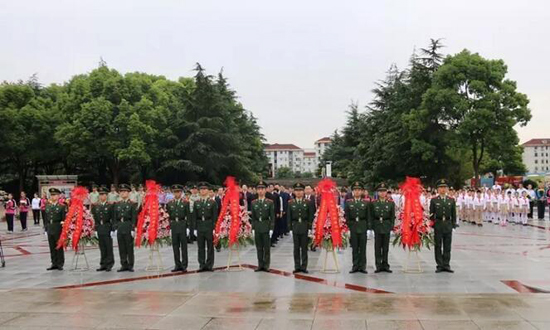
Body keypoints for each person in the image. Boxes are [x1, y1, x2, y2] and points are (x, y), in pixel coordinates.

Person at [430, 179, 456, 273]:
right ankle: (439, 265)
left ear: (447, 189)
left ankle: (446, 264)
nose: (443, 189)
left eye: (444, 187)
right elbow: (431, 215)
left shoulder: (451, 200)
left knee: (447, 246)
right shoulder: (434, 200)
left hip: (448, 224)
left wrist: (453, 225)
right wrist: (432, 225)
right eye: (441, 187)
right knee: (438, 245)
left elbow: (454, 214)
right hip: (438, 224)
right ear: (437, 189)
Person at [288, 182, 314, 274]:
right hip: (295, 227)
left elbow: (311, 215)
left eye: (300, 190)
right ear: (294, 192)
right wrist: (290, 229)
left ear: (303, 192)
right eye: (297, 190)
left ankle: (304, 266)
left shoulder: (308, 202)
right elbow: (289, 217)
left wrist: (310, 228)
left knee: (304, 248)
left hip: (304, 226)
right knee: (296, 248)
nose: (298, 192)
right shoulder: (291, 203)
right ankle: (297, 266)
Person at [344, 182, 369, 274]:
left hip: (362, 226)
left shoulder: (366, 203)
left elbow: (368, 216)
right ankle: (355, 266)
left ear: (362, 191)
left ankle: (362, 266)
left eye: (359, 190)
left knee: (362, 248)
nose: (357, 192)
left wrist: (368, 227)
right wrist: (349, 226)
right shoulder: (349, 203)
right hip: (353, 226)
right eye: (355, 190)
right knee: (354, 247)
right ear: (353, 192)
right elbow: (346, 215)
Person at [193, 182, 218, 272]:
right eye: (201, 189)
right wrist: (195, 228)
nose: (203, 191)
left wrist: (214, 228)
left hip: (209, 225)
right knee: (201, 247)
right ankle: (202, 264)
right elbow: (194, 216)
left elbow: (215, 216)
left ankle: (209, 265)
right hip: (200, 225)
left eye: (205, 189)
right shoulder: (197, 203)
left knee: (210, 247)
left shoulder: (212, 202)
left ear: (208, 191)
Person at [250, 181, 275, 272]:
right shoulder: (254, 203)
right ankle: (260, 265)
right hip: (257, 226)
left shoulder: (270, 202)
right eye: (259, 189)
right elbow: (253, 217)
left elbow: (272, 217)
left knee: (266, 248)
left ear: (265, 190)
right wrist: (252, 228)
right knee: (259, 247)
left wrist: (271, 229)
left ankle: (266, 265)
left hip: (266, 226)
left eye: (262, 189)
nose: (260, 191)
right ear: (256, 191)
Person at [371, 183, 395, 273]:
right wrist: (372, 226)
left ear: (386, 192)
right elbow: (372, 216)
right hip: (377, 225)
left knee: (385, 247)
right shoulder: (373, 203)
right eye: (380, 191)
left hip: (386, 225)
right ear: (377, 192)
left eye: (384, 191)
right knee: (377, 247)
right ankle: (378, 265)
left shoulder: (391, 204)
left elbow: (392, 216)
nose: (382, 193)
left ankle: (385, 265)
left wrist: (391, 226)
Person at [166, 184, 191, 272]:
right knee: (175, 246)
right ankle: (177, 264)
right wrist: (169, 228)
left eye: (178, 192)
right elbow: (168, 216)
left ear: (181, 192)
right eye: (175, 192)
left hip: (182, 224)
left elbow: (188, 215)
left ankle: (184, 265)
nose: (177, 194)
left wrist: (188, 227)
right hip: (174, 225)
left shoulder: (185, 203)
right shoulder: (170, 203)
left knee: (183, 246)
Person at [113, 184, 137, 272]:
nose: (123, 193)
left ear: (128, 193)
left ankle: (130, 265)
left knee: (129, 247)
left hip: (128, 225)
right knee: (121, 247)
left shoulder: (132, 204)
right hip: (120, 226)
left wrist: (133, 229)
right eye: (121, 192)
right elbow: (115, 217)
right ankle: (123, 264)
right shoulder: (117, 204)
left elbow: (134, 217)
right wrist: (115, 228)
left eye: (125, 191)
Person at [91, 187, 115, 272]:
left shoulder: (110, 205)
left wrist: (113, 229)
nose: (102, 196)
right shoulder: (96, 206)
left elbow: (113, 218)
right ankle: (103, 263)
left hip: (107, 226)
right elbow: (95, 218)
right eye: (100, 194)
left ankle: (109, 263)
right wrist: (96, 229)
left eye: (103, 194)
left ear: (107, 195)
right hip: (100, 227)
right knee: (102, 247)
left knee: (108, 246)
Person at [44, 188, 66, 270]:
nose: (53, 197)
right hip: (50, 226)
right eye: (52, 195)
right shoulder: (48, 206)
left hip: (58, 227)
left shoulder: (61, 206)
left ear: (58, 196)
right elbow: (45, 218)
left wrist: (64, 229)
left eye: (54, 195)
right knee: (52, 246)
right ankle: (54, 263)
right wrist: (46, 229)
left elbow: (64, 219)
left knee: (59, 246)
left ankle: (60, 263)